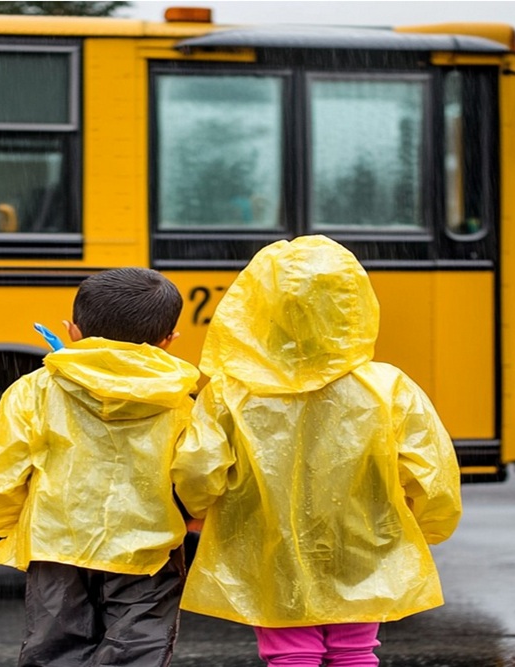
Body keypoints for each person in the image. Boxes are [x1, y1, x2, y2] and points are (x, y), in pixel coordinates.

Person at [174, 235, 462, 667]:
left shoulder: (230, 393)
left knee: (291, 654)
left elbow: (198, 472)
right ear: (352, 306)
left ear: (256, 308)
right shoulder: (387, 387)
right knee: (355, 649)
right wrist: (427, 524)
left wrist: (196, 509)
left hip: (268, 539)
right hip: (363, 539)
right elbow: (432, 470)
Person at [0, 267, 202, 667]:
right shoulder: (182, 403)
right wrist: (193, 519)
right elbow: (199, 477)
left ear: (73, 331)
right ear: (169, 341)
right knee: (135, 653)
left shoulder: (33, 391)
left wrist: (15, 531)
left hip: (56, 546)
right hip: (149, 553)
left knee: (56, 651)